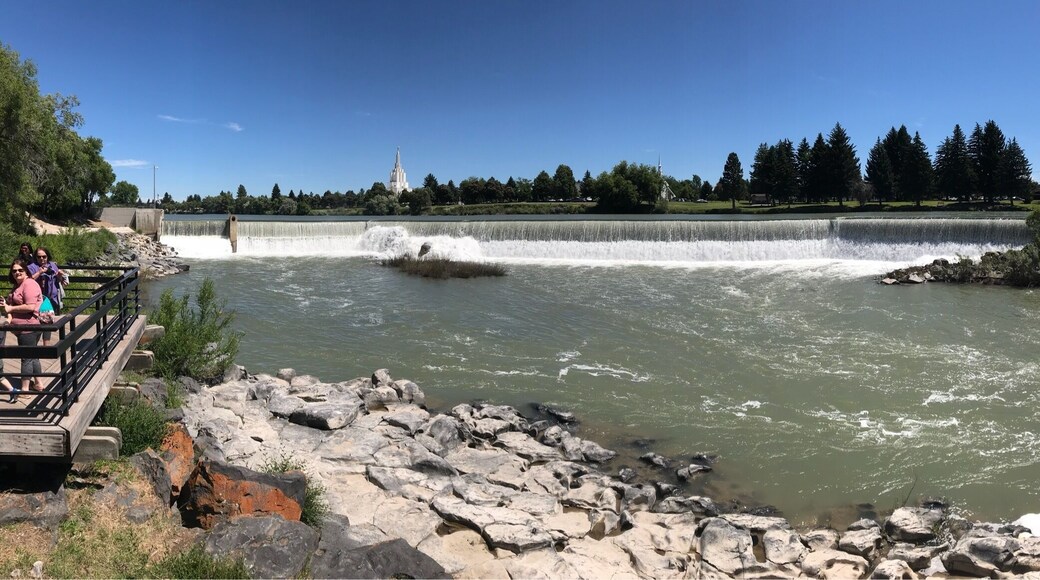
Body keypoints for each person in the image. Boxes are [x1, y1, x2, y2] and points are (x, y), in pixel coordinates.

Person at [4, 259, 44, 395]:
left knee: (26, 357)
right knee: (33, 356)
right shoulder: (18, 285)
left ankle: (25, 389)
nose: (17, 273)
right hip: (23, 328)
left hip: (29, 327)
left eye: (20, 270)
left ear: (26, 271)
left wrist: (10, 308)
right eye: (14, 271)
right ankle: (39, 384)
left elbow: (31, 306)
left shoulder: (29, 284)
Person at [28, 246, 64, 346]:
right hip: (36, 299)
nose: (42, 259)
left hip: (50, 298)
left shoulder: (52, 265)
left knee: (48, 322)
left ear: (47, 256)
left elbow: (59, 280)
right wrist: (39, 272)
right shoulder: (31, 267)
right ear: (35, 257)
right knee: (36, 323)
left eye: (44, 256)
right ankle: (33, 345)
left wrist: (59, 275)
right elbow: (28, 281)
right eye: (39, 257)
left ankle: (46, 346)